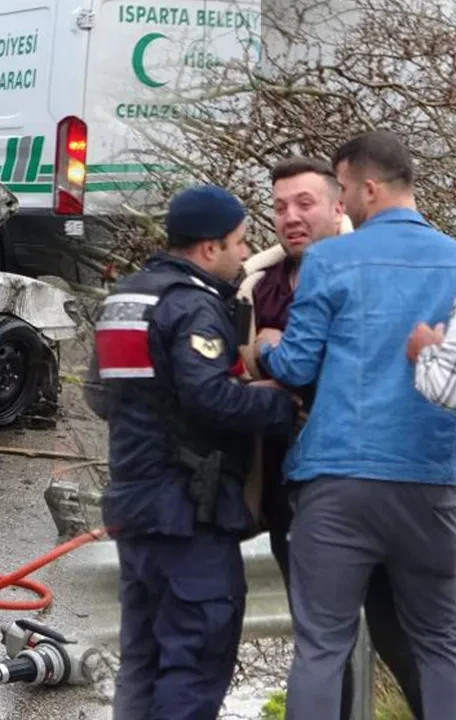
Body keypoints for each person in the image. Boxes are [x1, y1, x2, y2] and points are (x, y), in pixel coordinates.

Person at [256, 131, 456, 718]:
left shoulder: (331, 258)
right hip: (431, 479)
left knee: (321, 648)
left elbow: (297, 363)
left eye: (341, 190)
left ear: (368, 187)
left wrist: (265, 348)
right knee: (442, 645)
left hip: (336, 478)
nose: (342, 205)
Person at [91, 185, 297, 720]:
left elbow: (98, 394)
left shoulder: (126, 298)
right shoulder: (195, 306)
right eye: (239, 242)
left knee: (141, 661)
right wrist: (281, 407)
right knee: (195, 662)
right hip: (189, 514)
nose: (244, 254)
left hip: (134, 509)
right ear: (209, 249)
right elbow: (208, 397)